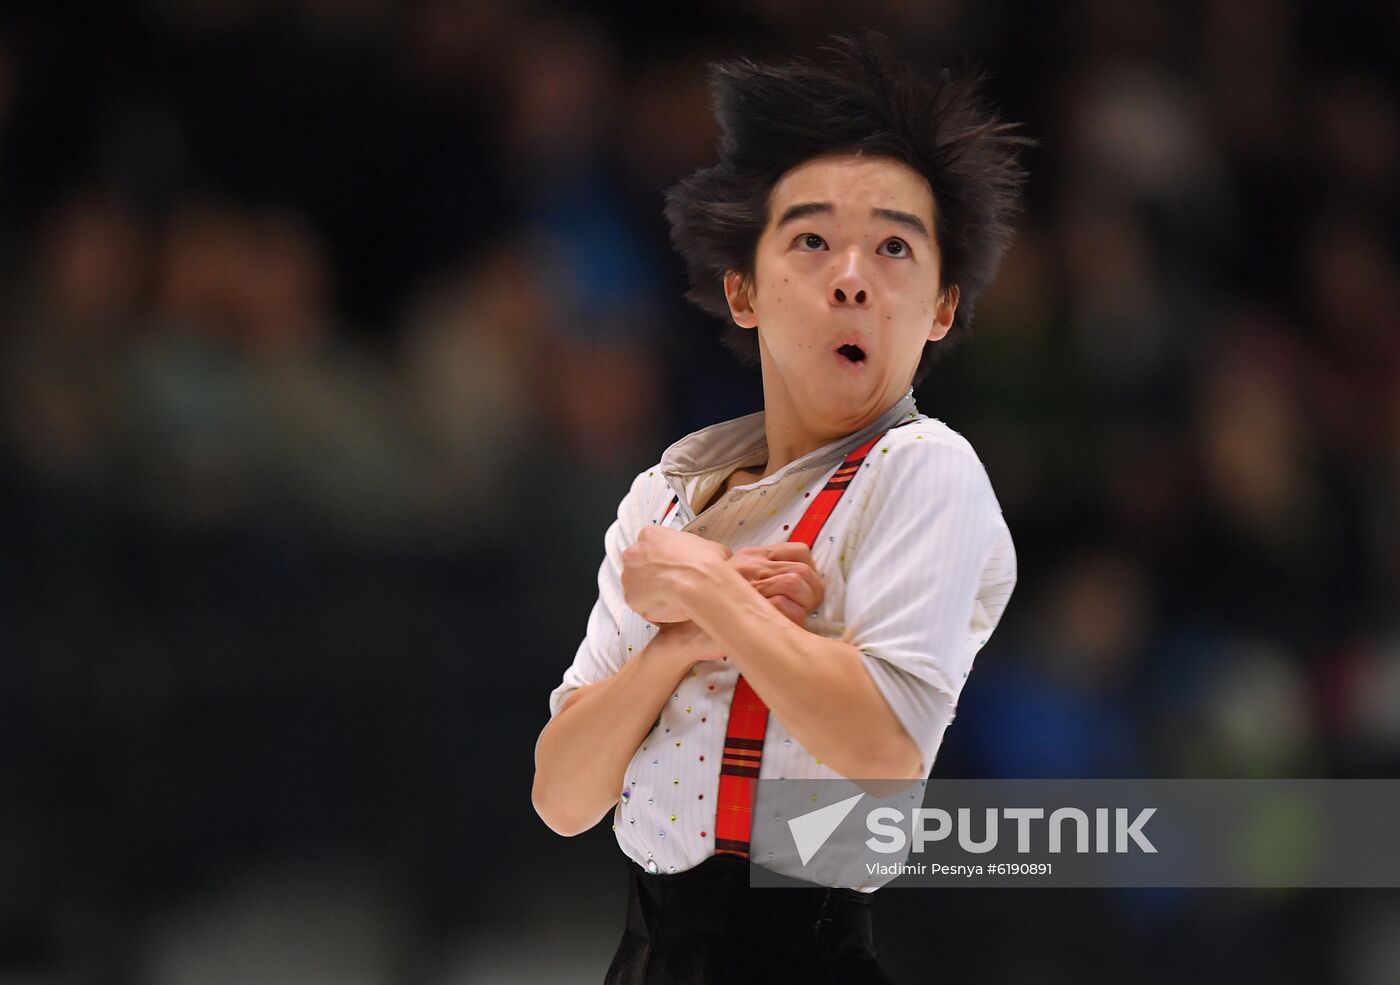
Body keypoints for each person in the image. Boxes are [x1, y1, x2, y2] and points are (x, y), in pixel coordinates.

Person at [532, 31, 1029, 985]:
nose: (851, 277)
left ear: (940, 309)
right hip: (644, 955)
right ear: (744, 290)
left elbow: (883, 758)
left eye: (894, 247)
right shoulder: (668, 491)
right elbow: (561, 794)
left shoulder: (924, 469)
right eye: (812, 241)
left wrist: (709, 597)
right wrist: (676, 643)